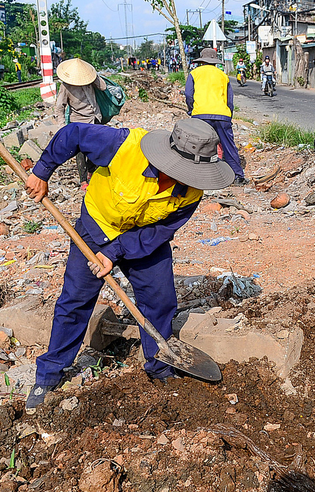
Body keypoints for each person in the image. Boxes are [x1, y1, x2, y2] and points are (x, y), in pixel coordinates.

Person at [22, 118, 235, 412]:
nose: (188, 179)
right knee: (75, 301)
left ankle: (159, 365)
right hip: (96, 228)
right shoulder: (124, 146)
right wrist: (42, 172)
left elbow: (160, 231)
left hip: (142, 241)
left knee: (160, 300)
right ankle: (48, 376)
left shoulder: (193, 190)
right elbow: (73, 133)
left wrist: (115, 253)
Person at [186, 47, 246, 185]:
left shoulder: (194, 73)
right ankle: (237, 176)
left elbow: (189, 95)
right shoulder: (223, 75)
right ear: (214, 62)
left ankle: (196, 178)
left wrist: (191, 110)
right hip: (222, 115)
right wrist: (228, 116)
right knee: (228, 146)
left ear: (201, 61)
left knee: (198, 147)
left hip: (200, 115)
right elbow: (229, 100)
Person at [54, 58, 108, 187]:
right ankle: (83, 180)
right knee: (80, 153)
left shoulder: (90, 80)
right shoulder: (66, 86)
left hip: (95, 118)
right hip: (79, 122)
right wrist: (62, 127)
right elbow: (59, 107)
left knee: (97, 147)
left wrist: (94, 76)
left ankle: (91, 170)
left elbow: (103, 87)